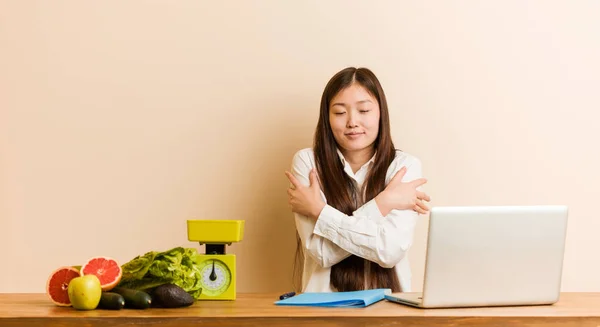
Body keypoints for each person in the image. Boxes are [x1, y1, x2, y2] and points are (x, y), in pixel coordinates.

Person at [284, 67, 431, 293]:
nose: (352, 122)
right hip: (321, 312)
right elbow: (322, 252)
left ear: (381, 113)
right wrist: (384, 203)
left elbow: (389, 251)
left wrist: (319, 211)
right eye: (340, 113)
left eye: (363, 110)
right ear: (327, 117)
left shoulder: (404, 167)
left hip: (389, 310)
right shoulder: (308, 163)